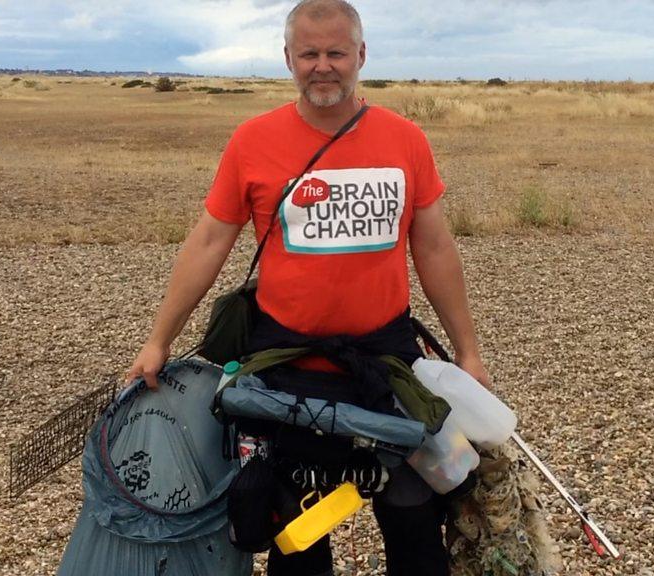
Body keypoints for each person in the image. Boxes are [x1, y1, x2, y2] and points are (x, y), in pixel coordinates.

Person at [126, 1, 490, 574]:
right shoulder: (254, 140)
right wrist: (158, 340)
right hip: (287, 371)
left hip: (385, 364)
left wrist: (466, 351)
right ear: (289, 59)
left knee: (415, 523)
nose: (324, 66)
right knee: (297, 536)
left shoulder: (405, 140)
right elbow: (208, 243)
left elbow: (435, 247)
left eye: (336, 52)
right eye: (310, 54)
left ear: (361, 56)